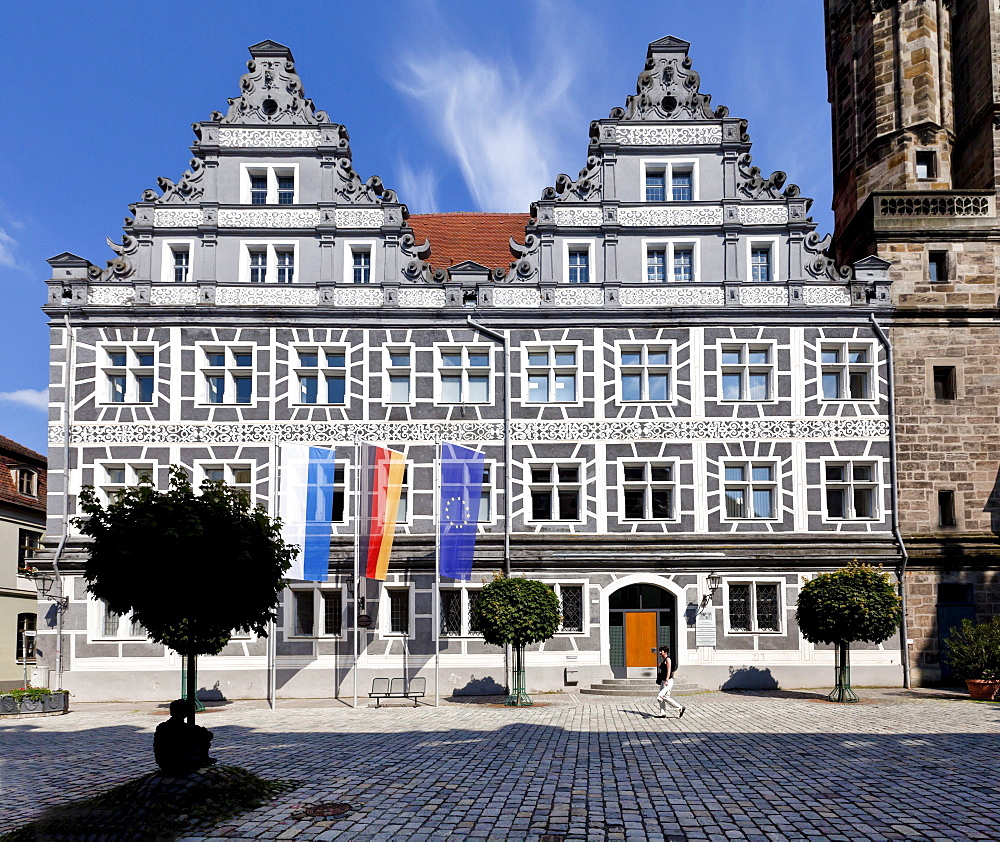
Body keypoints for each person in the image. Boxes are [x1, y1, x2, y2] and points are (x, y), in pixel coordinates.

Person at [153, 698, 217, 775]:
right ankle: (203, 759)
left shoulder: (161, 727)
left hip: (164, 764)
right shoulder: (187, 729)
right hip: (183, 764)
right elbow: (208, 735)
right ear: (186, 713)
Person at [655, 645, 685, 718]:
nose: (659, 652)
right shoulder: (663, 659)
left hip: (667, 681)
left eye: (661, 651)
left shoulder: (668, 659)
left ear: (665, 652)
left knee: (663, 696)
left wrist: (667, 680)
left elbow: (669, 671)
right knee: (665, 697)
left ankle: (679, 707)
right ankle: (663, 713)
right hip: (663, 680)